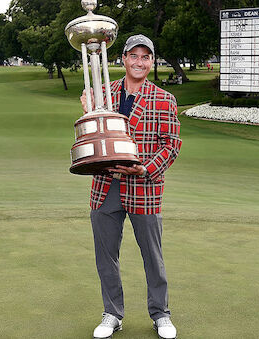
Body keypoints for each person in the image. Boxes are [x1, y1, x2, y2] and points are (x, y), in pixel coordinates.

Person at [80, 34, 182, 339]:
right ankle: (112, 313)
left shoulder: (164, 98)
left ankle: (160, 314)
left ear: (152, 62)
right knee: (106, 255)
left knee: (152, 255)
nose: (139, 62)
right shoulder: (104, 93)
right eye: (133, 56)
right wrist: (87, 111)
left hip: (145, 187)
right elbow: (93, 137)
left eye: (145, 57)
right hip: (106, 185)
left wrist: (145, 168)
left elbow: (172, 145)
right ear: (123, 59)